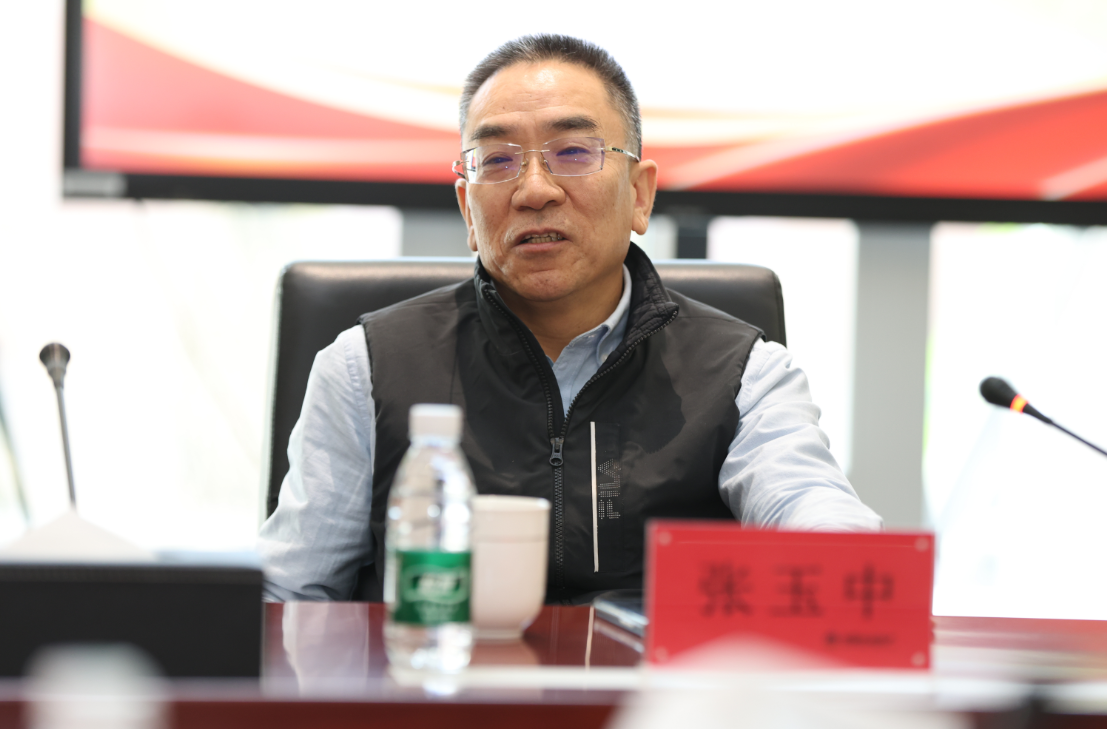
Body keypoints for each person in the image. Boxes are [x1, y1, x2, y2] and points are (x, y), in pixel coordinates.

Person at [258, 35, 881, 603]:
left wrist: (848, 563)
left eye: (574, 152)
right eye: (497, 160)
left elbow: (812, 510)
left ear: (639, 195)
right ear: (468, 211)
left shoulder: (745, 373)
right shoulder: (365, 368)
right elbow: (285, 596)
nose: (534, 190)